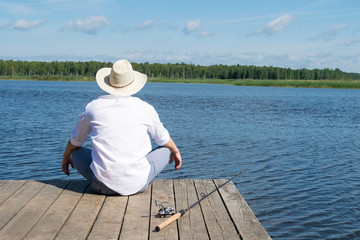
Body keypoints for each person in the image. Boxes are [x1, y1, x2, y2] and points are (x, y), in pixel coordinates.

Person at [62, 59, 182, 196]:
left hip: (100, 185)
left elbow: (75, 141)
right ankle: (136, 177)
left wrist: (66, 157)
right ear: (132, 83)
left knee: (75, 151)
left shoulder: (93, 107)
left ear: (109, 82)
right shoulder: (145, 108)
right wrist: (175, 151)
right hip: (138, 185)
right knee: (167, 149)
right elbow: (163, 139)